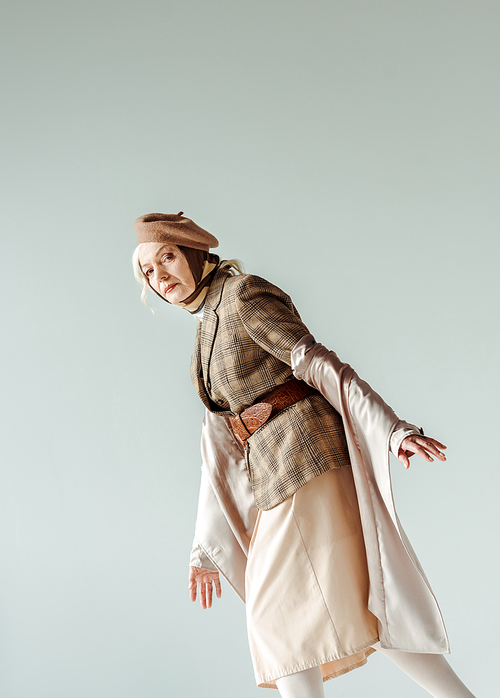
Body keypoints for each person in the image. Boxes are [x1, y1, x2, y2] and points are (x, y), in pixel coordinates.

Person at [132, 211, 476, 698]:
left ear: (194, 253)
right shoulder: (204, 327)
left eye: (166, 257)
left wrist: (391, 429)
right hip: (275, 474)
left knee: (275, 617)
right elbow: (219, 443)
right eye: (148, 270)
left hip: (306, 457)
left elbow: (316, 361)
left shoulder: (243, 294)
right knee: (363, 600)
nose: (159, 274)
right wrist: (203, 546)